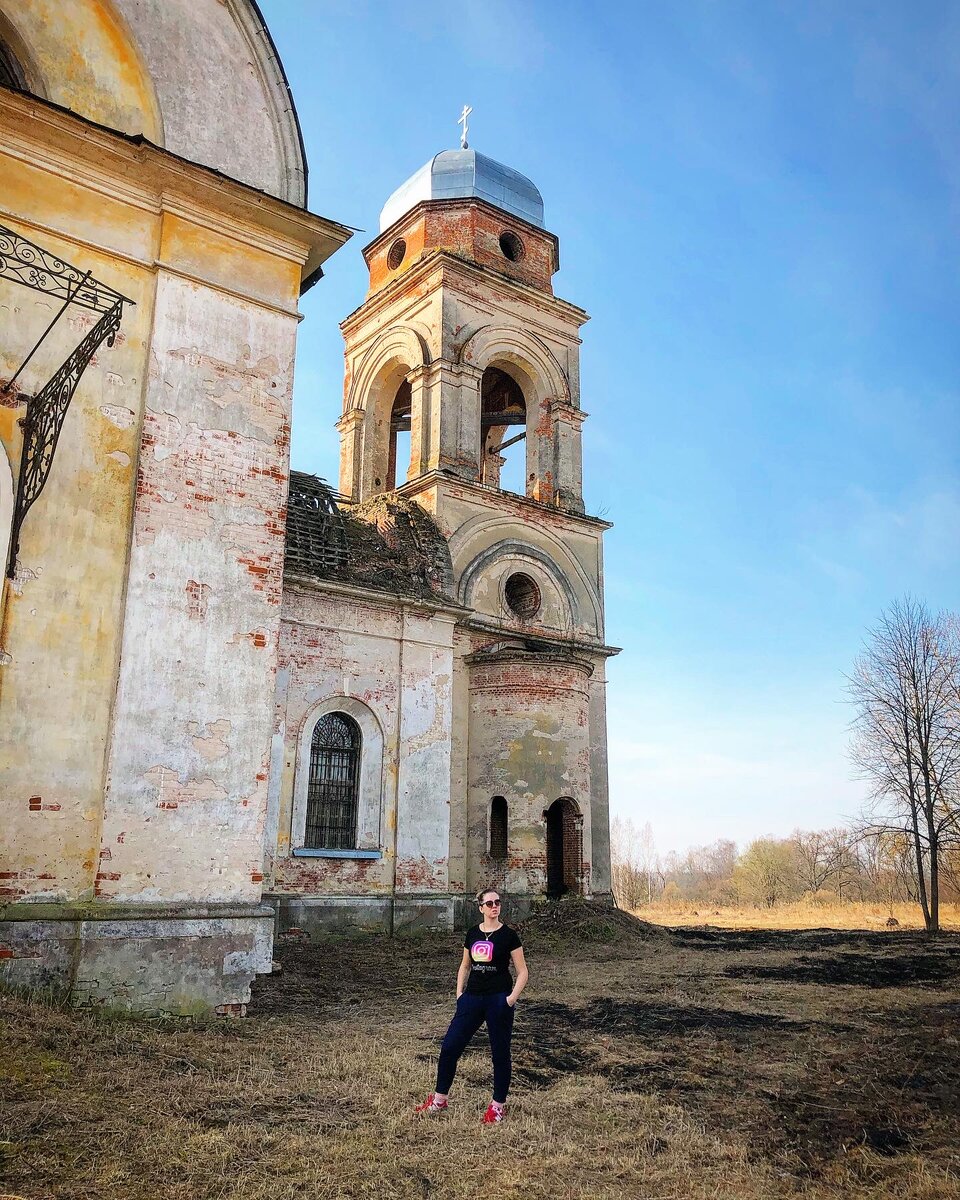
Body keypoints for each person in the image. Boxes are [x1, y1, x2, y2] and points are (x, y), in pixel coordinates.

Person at [416, 887, 528, 1124]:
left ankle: (497, 1106)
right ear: (481, 908)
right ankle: (439, 1099)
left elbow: (522, 971)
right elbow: (465, 966)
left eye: (497, 902)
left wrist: (510, 999)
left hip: (499, 1000)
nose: (494, 906)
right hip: (472, 999)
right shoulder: (472, 934)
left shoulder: (509, 935)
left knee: (500, 1053)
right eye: (489, 903)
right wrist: (459, 994)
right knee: (449, 1048)